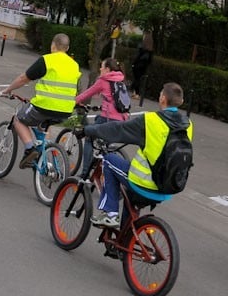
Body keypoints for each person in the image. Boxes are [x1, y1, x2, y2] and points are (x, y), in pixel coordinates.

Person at [78, 82, 192, 228]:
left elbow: (118, 129)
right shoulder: (187, 124)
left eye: (160, 94)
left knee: (109, 160)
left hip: (145, 182)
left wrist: (88, 130)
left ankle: (111, 214)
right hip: (169, 186)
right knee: (130, 198)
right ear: (181, 101)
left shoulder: (151, 120)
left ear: (163, 98)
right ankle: (126, 241)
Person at [0, 33, 81, 169]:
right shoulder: (74, 65)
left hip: (44, 106)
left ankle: (30, 149)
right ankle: (46, 152)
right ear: (67, 48)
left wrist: (8, 90)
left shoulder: (47, 60)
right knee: (43, 124)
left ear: (53, 45)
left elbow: (24, 78)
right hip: (65, 110)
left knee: (18, 118)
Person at [75, 58, 129, 124]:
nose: (100, 69)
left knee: (89, 131)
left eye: (102, 67)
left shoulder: (103, 81)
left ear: (107, 69)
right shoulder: (121, 79)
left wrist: (73, 102)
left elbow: (87, 94)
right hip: (123, 117)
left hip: (108, 117)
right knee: (97, 118)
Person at [129, 33, 154, 102]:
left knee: (137, 79)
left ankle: (136, 93)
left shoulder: (142, 49)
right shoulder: (150, 51)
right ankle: (135, 92)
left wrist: (133, 64)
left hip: (138, 66)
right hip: (143, 67)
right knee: (138, 79)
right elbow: (150, 61)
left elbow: (137, 57)